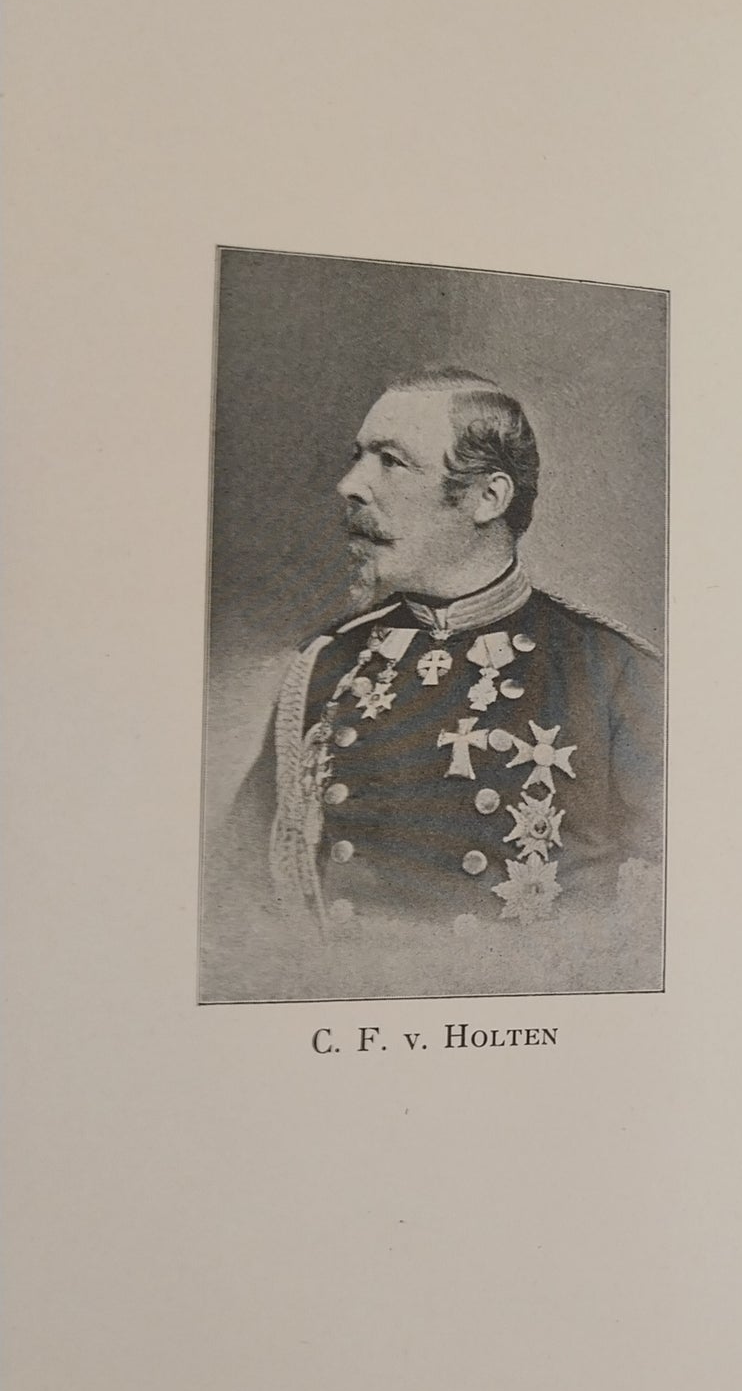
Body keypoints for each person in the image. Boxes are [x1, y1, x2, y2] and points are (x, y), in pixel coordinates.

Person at [220, 367, 662, 960]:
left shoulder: (614, 674)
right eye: (358, 457)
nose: (350, 485)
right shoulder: (327, 668)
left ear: (488, 497)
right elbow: (241, 895)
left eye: (391, 462)